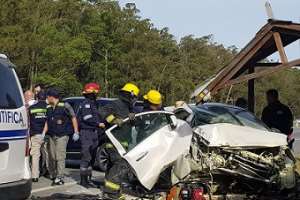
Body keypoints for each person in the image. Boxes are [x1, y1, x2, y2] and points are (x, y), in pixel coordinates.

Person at [101, 83, 140, 199]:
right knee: (120, 165)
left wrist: (133, 119)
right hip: (114, 141)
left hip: (123, 142)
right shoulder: (116, 103)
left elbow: (134, 123)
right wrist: (113, 120)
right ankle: (111, 193)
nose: (134, 100)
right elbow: (102, 112)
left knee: (113, 166)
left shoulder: (129, 108)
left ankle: (113, 191)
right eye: (134, 97)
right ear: (130, 95)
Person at [43, 88, 79, 186]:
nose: (46, 98)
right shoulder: (49, 107)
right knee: (52, 156)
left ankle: (60, 177)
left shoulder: (65, 105)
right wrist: (43, 133)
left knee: (60, 156)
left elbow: (73, 117)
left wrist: (76, 131)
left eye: (47, 96)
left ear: (51, 97)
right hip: (51, 135)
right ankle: (54, 174)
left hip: (62, 135)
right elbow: (47, 121)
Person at [76, 83, 105, 187]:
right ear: (91, 93)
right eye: (95, 93)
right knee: (86, 156)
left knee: (92, 158)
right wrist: (98, 123)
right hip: (87, 132)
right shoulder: (86, 104)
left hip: (94, 132)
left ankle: (88, 179)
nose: (96, 95)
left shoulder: (94, 103)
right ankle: (83, 181)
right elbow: (87, 118)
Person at [29, 91, 47, 182]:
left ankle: (35, 176)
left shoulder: (31, 108)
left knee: (35, 155)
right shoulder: (49, 108)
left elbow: (28, 122)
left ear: (37, 98)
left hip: (35, 134)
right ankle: (51, 173)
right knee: (48, 155)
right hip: (46, 134)